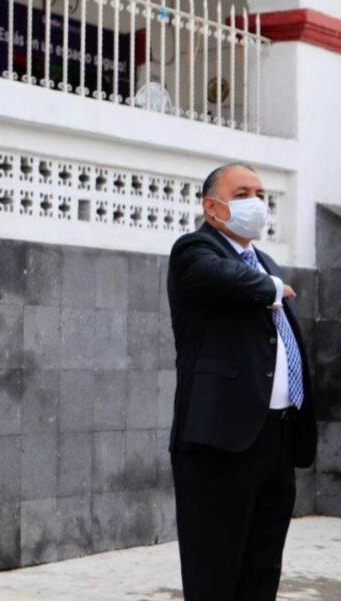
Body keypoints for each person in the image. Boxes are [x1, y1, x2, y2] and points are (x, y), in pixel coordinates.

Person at [167, 162, 317, 601]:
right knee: (215, 573)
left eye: (260, 192)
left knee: (262, 568)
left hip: (275, 438)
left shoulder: (264, 261)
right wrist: (269, 286)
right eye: (242, 193)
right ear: (212, 207)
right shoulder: (195, 250)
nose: (256, 202)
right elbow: (223, 278)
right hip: (219, 442)